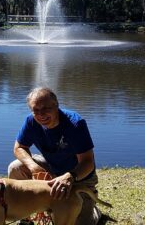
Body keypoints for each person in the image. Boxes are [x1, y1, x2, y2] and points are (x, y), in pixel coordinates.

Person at [8, 87, 100, 225]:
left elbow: (88, 162)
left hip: (79, 177)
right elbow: (19, 147)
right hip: (52, 168)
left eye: (46, 108)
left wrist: (70, 176)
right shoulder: (31, 122)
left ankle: (93, 211)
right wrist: (32, 166)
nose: (41, 114)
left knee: (76, 222)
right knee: (16, 167)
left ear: (56, 105)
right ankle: (25, 218)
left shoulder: (75, 124)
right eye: (36, 110)